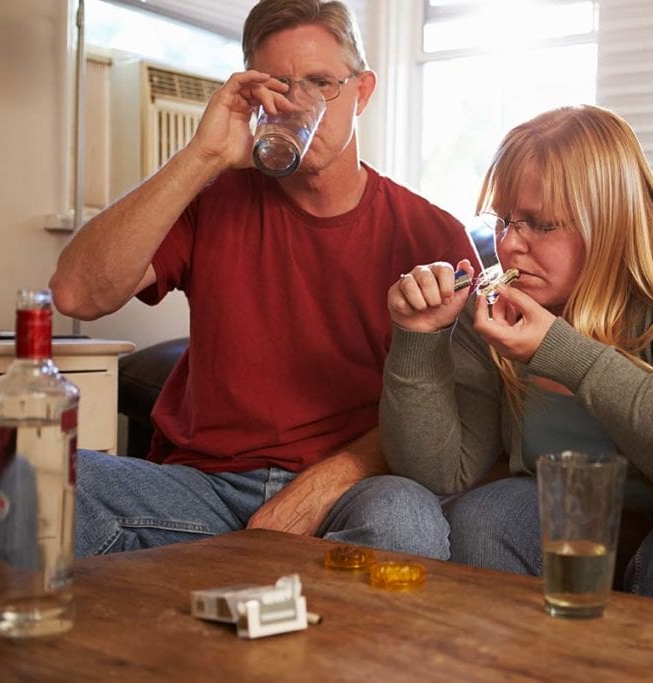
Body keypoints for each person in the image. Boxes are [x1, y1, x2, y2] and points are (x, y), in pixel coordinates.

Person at [49, 0, 476, 558]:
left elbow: (462, 407)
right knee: (46, 474)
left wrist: (326, 481)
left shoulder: (431, 233)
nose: (298, 104)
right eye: (278, 85)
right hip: (203, 488)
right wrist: (202, 156)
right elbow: (78, 293)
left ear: (362, 92)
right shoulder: (211, 199)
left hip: (352, 489)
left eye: (322, 83)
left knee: (404, 517)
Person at [380, 105, 653, 619]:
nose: (510, 245)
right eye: (504, 220)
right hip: (585, 509)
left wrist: (566, 356)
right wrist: (418, 338)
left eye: (539, 224)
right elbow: (440, 473)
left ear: (610, 222)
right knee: (482, 517)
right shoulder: (499, 304)